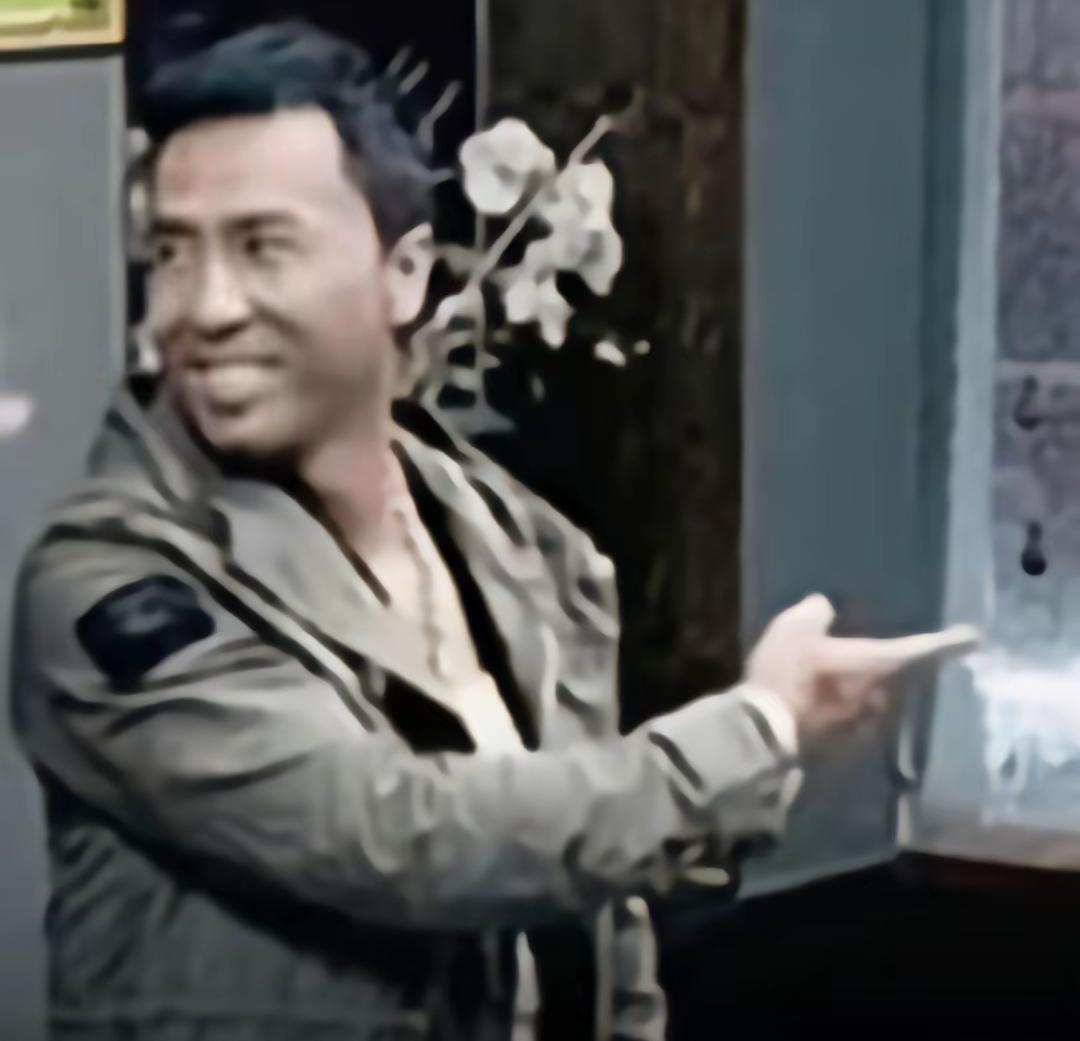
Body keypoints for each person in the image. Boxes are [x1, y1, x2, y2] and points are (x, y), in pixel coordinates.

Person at [9, 20, 977, 1041]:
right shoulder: (112, 583)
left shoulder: (519, 544)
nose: (203, 308)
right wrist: (760, 729)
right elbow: (396, 835)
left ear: (406, 273)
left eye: (262, 248)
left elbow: (599, 917)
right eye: (171, 254)